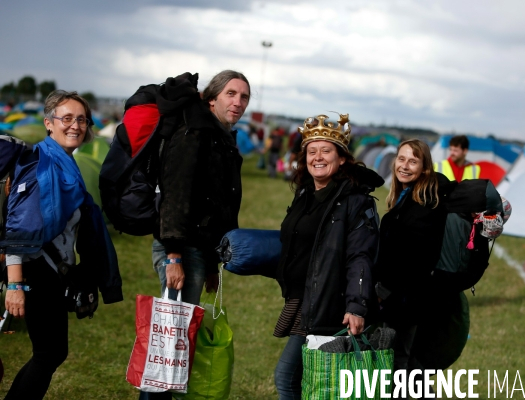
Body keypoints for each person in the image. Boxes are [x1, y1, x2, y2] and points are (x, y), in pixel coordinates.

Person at [2, 90, 122, 399]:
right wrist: (15, 286)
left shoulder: (67, 166)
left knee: (52, 352)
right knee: (49, 353)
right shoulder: (38, 165)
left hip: (51, 272)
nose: (75, 126)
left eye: (81, 119)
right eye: (66, 118)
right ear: (49, 124)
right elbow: (19, 225)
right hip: (34, 270)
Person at [141, 70, 250, 399]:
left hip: (198, 249)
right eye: (231, 94)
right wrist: (173, 255)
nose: (238, 102)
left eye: (244, 96)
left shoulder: (220, 135)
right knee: (170, 345)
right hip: (181, 247)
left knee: (176, 341)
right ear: (212, 98)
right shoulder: (196, 131)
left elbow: (218, 204)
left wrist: (216, 260)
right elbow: (176, 192)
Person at [273, 114, 383, 399]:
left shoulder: (356, 201)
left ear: (342, 158)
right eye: (311, 151)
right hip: (302, 299)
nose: (317, 157)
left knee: (288, 376)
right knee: (311, 381)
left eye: (325, 150)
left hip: (330, 302)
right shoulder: (305, 194)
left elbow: (361, 255)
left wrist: (357, 305)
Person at [374, 139, 455, 398]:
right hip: (403, 298)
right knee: (406, 365)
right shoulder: (408, 197)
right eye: (401, 159)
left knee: (398, 365)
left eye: (413, 161)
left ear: (424, 168)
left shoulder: (424, 205)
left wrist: (383, 291)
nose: (405, 166)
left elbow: (412, 260)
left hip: (404, 300)